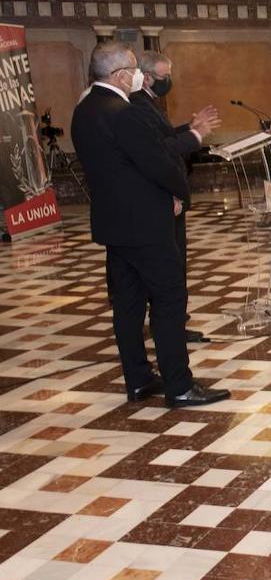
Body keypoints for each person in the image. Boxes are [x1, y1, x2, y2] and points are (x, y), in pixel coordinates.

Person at [70, 41, 229, 409]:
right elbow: (155, 161)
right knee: (169, 300)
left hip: (114, 225)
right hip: (146, 224)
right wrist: (176, 194)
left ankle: (139, 379)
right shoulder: (122, 112)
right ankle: (180, 385)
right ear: (122, 75)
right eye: (132, 69)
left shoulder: (85, 109)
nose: (137, 76)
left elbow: (123, 165)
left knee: (127, 304)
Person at [131, 50, 219, 344]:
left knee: (177, 263)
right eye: (163, 76)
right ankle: (170, 327)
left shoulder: (149, 102)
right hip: (161, 199)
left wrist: (190, 129)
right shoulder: (138, 105)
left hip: (169, 198)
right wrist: (194, 136)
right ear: (145, 76)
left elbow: (164, 137)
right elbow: (159, 150)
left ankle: (175, 324)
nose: (167, 81)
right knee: (170, 267)